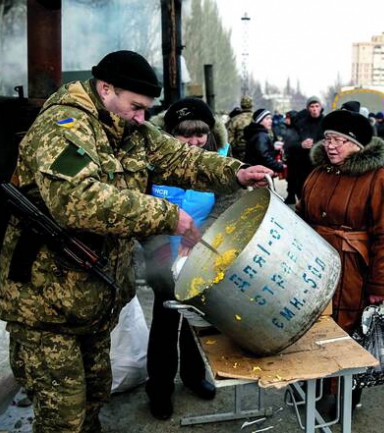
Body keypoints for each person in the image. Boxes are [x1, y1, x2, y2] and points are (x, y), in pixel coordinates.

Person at [0, 50, 273, 433]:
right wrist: (167, 216)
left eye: (147, 109)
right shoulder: (63, 128)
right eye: (136, 107)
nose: (143, 118)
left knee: (93, 398)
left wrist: (237, 173)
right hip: (46, 306)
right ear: (105, 88)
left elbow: (181, 160)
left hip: (92, 297)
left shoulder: (129, 130)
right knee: (64, 418)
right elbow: (79, 202)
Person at [141, 97, 241, 420]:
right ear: (170, 133)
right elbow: (139, 206)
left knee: (198, 320)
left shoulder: (221, 161)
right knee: (166, 322)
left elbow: (226, 204)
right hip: (162, 255)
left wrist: (203, 237)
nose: (195, 142)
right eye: (186, 135)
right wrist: (156, 247)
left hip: (202, 253)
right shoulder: (151, 161)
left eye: (200, 135)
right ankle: (159, 386)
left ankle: (194, 375)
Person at [297, 109, 384, 410]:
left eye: (341, 140)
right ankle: (313, 383)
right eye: (328, 138)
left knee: (346, 329)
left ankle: (343, 393)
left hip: (352, 269)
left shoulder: (378, 178)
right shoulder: (318, 172)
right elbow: (303, 214)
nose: (331, 146)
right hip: (315, 266)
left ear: (357, 145)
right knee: (313, 325)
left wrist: (381, 284)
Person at [289, 96, 324, 201]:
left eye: (317, 106)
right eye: (312, 106)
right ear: (308, 108)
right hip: (302, 166)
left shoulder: (327, 122)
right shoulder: (300, 124)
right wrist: (301, 145)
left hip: (320, 165)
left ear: (320, 107)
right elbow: (290, 144)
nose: (314, 109)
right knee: (303, 194)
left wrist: (317, 144)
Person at [244, 108, 285, 173]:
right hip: (260, 173)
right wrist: (280, 166)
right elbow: (264, 157)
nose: (270, 121)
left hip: (254, 170)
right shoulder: (261, 135)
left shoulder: (257, 133)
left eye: (271, 118)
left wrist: (274, 149)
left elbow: (261, 152)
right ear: (259, 121)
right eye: (267, 119)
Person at [227, 95, 254, 161]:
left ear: (241, 105)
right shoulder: (257, 118)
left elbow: (229, 138)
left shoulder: (234, 119)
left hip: (239, 154)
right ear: (252, 105)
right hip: (256, 153)